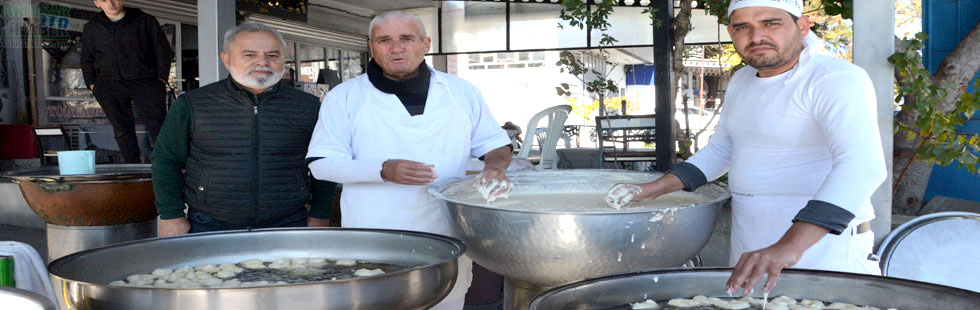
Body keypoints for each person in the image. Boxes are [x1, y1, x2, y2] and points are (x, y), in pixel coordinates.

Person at [607, 0, 886, 295]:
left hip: (823, 247)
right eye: (743, 27)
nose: (756, 37)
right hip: (751, 243)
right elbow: (721, 151)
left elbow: (861, 166)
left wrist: (788, 247)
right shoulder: (741, 80)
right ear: (731, 32)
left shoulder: (834, 79)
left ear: (802, 26)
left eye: (771, 23)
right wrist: (649, 189)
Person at [305, 11, 513, 310]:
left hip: (446, 231)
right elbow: (321, 164)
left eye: (406, 39)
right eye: (384, 40)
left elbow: (494, 144)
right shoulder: (345, 97)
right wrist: (382, 170)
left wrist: (494, 167)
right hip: (375, 234)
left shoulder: (460, 92)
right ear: (372, 46)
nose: (396, 48)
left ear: (425, 44)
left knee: (447, 300)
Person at [151, 23, 336, 236]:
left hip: (289, 223)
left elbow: (324, 162)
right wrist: (171, 215)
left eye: (273, 55)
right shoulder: (192, 105)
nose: (263, 62)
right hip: (210, 224)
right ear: (226, 59)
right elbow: (166, 160)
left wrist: (321, 213)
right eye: (249, 54)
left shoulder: (309, 107)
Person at [82, 0, 172, 163]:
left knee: (158, 125)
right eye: (103, 0)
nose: (110, 3)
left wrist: (161, 79)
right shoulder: (92, 27)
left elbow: (163, 50)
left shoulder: (145, 21)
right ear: (97, 3)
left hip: (145, 81)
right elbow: (87, 58)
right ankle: (132, 166)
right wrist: (92, 84)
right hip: (109, 84)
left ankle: (168, 165)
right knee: (122, 129)